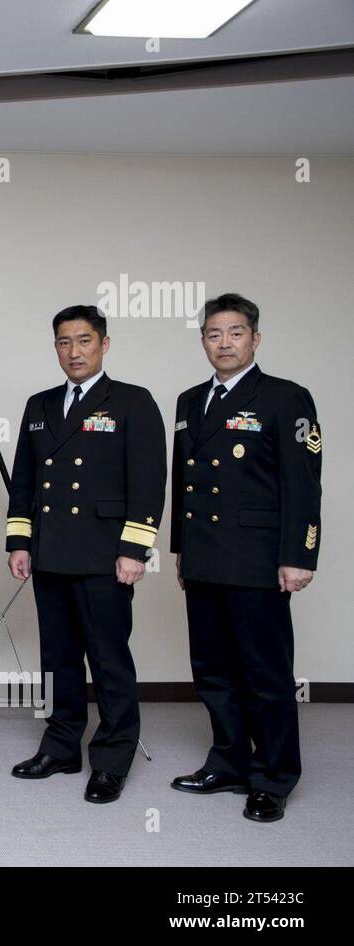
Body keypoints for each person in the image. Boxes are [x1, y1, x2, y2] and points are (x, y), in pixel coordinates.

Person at [169, 293, 320, 823]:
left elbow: (303, 486)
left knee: (266, 674)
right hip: (206, 559)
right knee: (212, 672)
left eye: (235, 332)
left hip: (259, 561)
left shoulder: (285, 398)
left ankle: (273, 777)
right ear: (204, 341)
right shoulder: (190, 401)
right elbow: (183, 486)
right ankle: (229, 761)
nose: (224, 342)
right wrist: (181, 553)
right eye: (214, 334)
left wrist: (299, 556)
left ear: (255, 338)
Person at [6, 304, 166, 804]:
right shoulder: (40, 404)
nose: (73, 352)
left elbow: (148, 483)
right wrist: (19, 542)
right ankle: (61, 747)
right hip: (50, 554)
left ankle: (112, 760)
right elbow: (25, 483)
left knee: (109, 660)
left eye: (84, 341)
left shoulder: (132, 402)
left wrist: (135, 549)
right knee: (57, 659)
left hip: (104, 557)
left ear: (104, 344)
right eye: (63, 342)